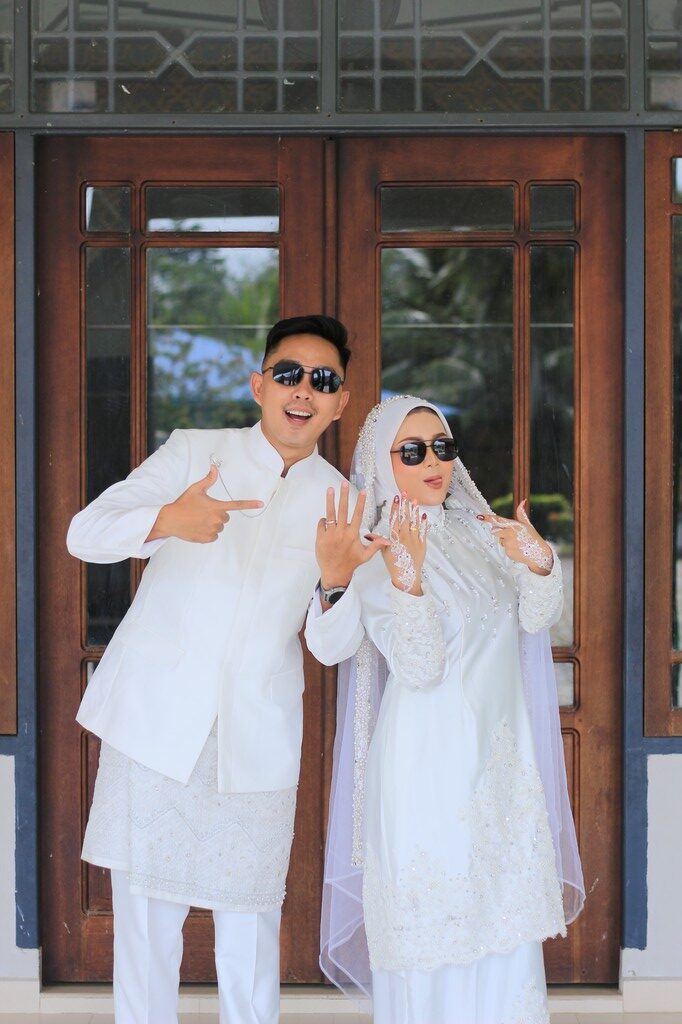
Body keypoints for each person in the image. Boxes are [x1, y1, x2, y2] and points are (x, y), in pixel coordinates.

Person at [67, 315, 383, 1024]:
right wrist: (166, 520)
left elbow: (332, 647)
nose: (303, 391)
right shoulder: (194, 452)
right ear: (259, 385)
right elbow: (84, 533)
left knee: (250, 925)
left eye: (323, 381)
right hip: (155, 725)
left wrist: (336, 583)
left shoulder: (344, 503)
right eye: (288, 374)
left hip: (255, 737)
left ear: (340, 402)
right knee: (147, 924)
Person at [305, 395, 584, 1024]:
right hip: (426, 766)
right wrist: (407, 581)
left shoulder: (480, 532)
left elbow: (534, 620)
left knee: (504, 922)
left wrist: (539, 562)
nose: (433, 462)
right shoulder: (372, 551)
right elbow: (419, 667)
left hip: (499, 765)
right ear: (383, 462)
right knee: (440, 926)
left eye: (443, 446)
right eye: (413, 451)